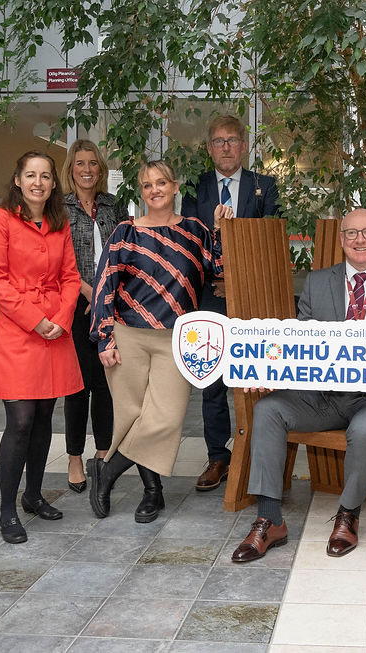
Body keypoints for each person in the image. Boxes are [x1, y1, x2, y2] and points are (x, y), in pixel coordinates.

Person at [231, 208, 366, 563]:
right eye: (351, 233)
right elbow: (300, 344)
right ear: (341, 239)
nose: (360, 240)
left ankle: (348, 514)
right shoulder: (317, 281)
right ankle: (269, 520)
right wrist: (265, 371)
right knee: (268, 409)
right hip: (323, 396)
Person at [87, 160, 223, 523]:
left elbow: (219, 269)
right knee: (133, 416)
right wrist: (104, 338)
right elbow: (104, 287)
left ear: (175, 187)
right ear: (141, 192)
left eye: (161, 182)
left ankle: (107, 470)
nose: (155, 190)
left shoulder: (196, 231)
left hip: (177, 339)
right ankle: (153, 493)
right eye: (147, 185)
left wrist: (222, 231)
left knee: (165, 418)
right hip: (128, 335)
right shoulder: (124, 233)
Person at [0, 151, 84, 544]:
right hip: (18, 332)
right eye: (30, 175)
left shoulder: (60, 223)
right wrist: (35, 319)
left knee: (44, 418)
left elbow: (71, 276)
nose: (38, 182)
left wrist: (60, 318)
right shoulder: (0, 220)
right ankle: (8, 510)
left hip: (54, 331)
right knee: (20, 421)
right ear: (18, 180)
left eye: (45, 176)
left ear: (54, 184)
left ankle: (34, 495)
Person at [181, 114, 280, 492]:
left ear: (245, 146)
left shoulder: (265, 186)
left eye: (233, 140)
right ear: (209, 148)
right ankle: (218, 457)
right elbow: (188, 241)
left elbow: (272, 239)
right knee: (213, 377)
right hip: (210, 293)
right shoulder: (196, 187)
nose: (226, 147)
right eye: (219, 141)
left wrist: (237, 267)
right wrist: (216, 243)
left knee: (256, 373)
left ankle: (257, 451)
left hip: (252, 294)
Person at [60, 139, 128, 493]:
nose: (87, 170)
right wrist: (89, 292)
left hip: (110, 307)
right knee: (77, 386)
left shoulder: (114, 206)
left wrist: (109, 297)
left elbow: (125, 253)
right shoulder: (61, 207)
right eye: (80, 163)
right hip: (76, 307)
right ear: (71, 168)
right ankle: (74, 456)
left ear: (101, 170)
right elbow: (58, 259)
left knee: (105, 384)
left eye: (93, 164)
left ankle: (103, 452)